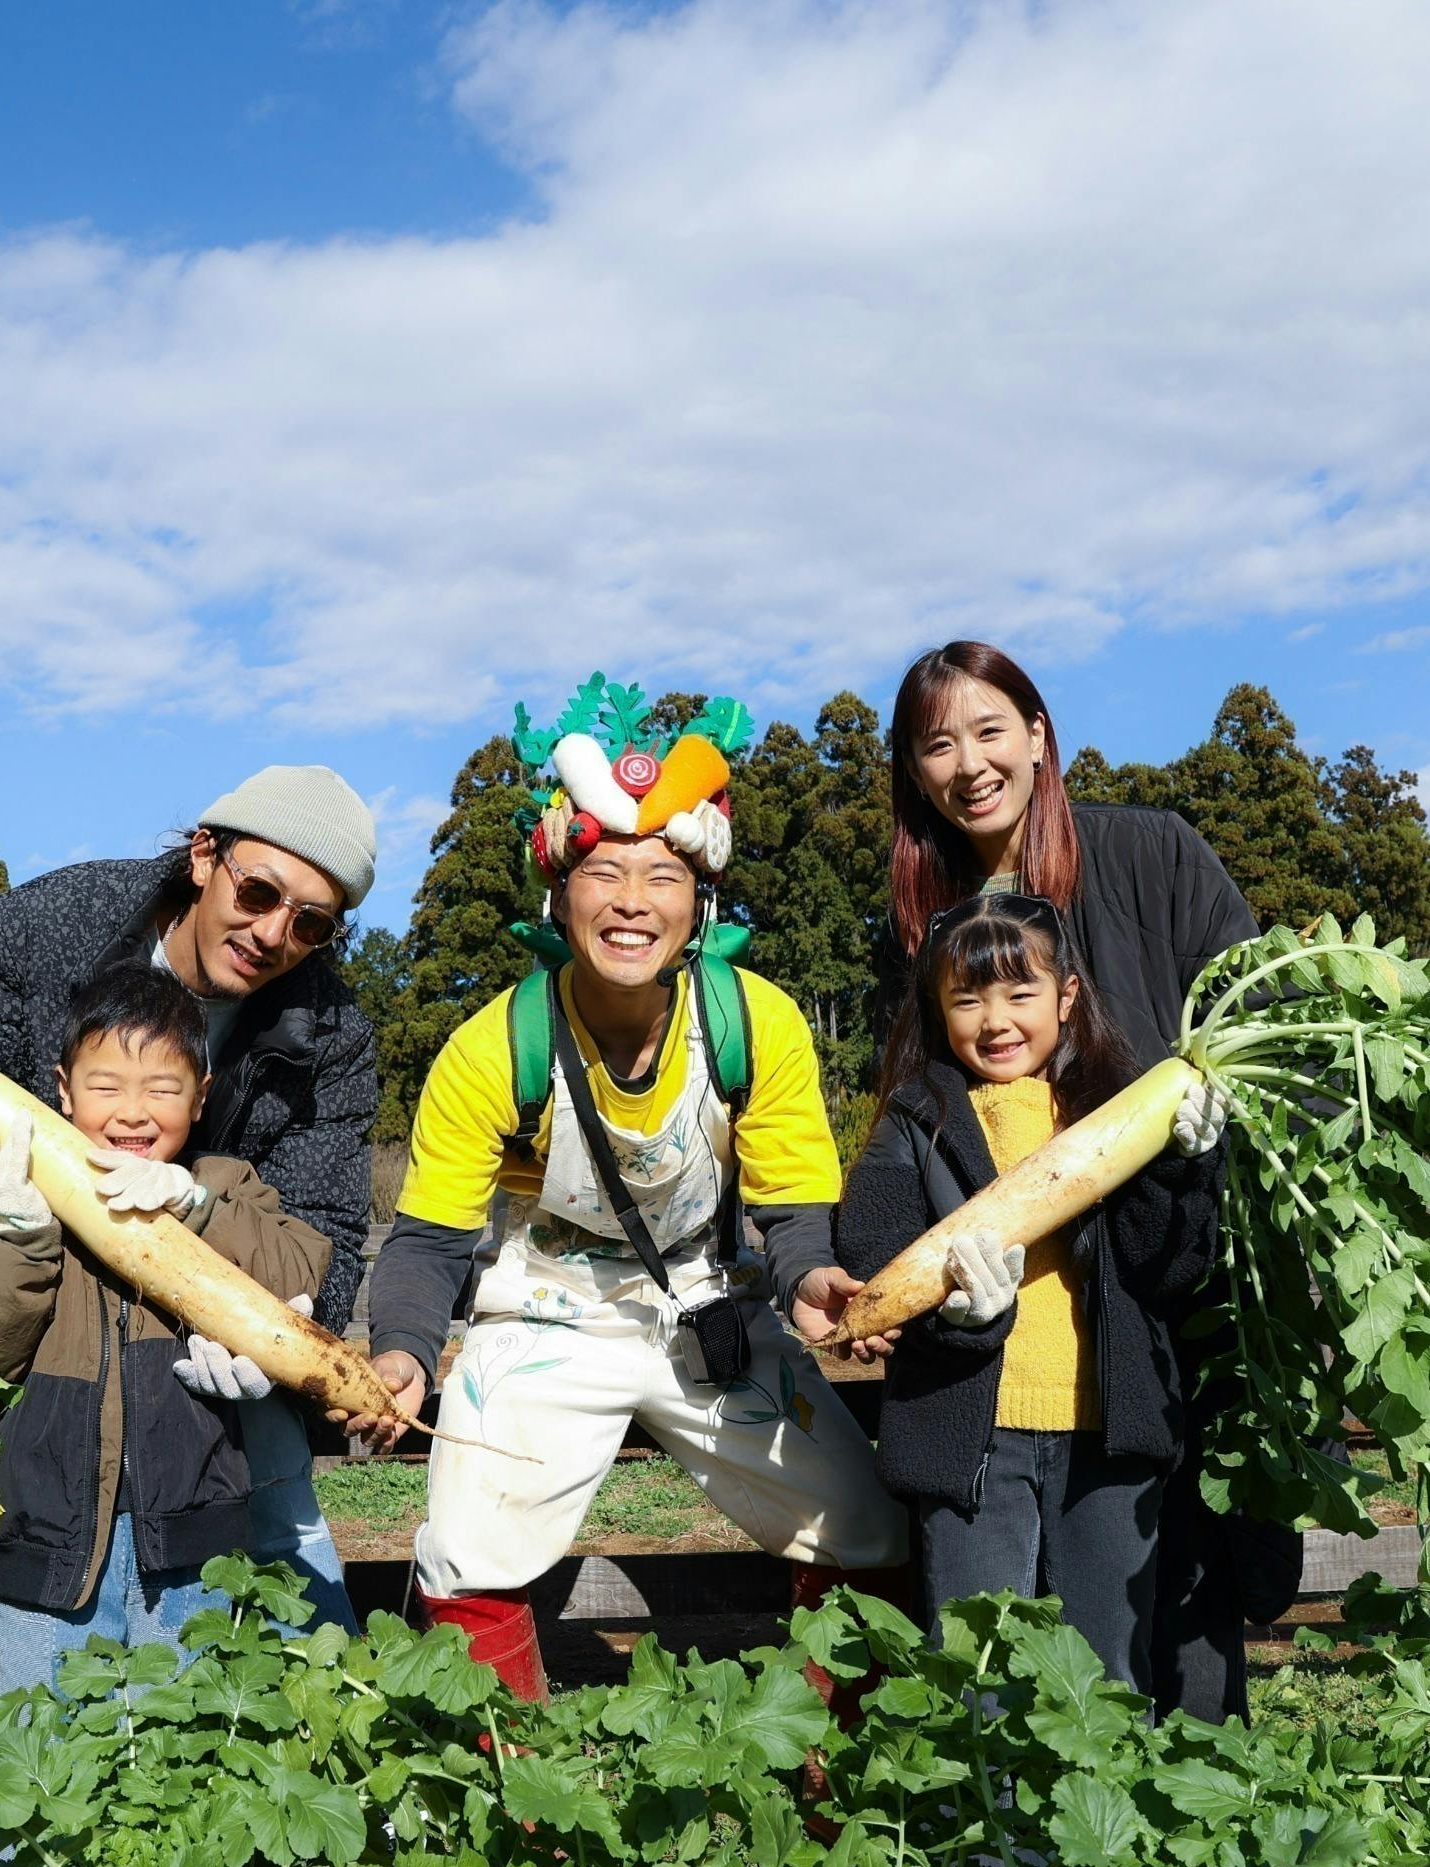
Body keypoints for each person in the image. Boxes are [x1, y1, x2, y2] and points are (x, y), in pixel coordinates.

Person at [361, 681, 904, 1701]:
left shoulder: (758, 1022)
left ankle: (843, 1800)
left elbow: (792, 1210)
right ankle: (495, 1811)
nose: (630, 899)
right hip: (551, 1302)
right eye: (602, 870)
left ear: (701, 899)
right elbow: (430, 1241)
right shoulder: (495, 1045)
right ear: (558, 895)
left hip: (708, 1296)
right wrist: (397, 1349)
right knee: (464, 1541)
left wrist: (815, 1277)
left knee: (861, 1521)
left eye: (662, 873)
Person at [0, 766, 383, 1794]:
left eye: (313, 922)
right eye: (258, 892)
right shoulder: (47, 929)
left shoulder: (332, 1027)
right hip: (31, 1310)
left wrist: (293, 1332)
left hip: (212, 1334)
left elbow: (324, 1217)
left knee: (285, 1537)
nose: (274, 931)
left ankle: (345, 1790)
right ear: (205, 857)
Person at [876, 640, 1279, 1723]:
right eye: (937, 743)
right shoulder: (921, 912)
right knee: (1010, 1638)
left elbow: (1257, 1009)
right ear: (915, 771)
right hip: (1013, 1349)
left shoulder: (1151, 851)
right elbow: (908, 1113)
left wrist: (1209, 1128)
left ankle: (1191, 1831)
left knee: (1171, 1602)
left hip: (1169, 1276)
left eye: (990, 729)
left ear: (1041, 734)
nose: (968, 763)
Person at [832, 894, 1224, 1693]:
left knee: (1108, 1671)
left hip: (1107, 1440)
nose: (996, 1019)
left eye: (1020, 993)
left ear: (1066, 997)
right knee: (974, 1671)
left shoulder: (1123, 1116)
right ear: (938, 1009)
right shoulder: (916, 1118)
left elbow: (1168, 1269)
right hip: (972, 1439)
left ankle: (1100, 1819)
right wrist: (960, 1317)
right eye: (967, 997)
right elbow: (873, 1248)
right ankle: (989, 1820)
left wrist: (1187, 1169)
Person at [0, 965, 346, 1702]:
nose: (133, 1112)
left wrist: (197, 1206)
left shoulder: (224, 1183)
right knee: (48, 1742)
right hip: (44, 1541)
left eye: (162, 1088)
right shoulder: (22, 1197)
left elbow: (301, 1266)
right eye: (106, 1087)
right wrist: (21, 1226)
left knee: (180, 1727)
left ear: (201, 1094)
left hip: (192, 1537)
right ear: (63, 1092)